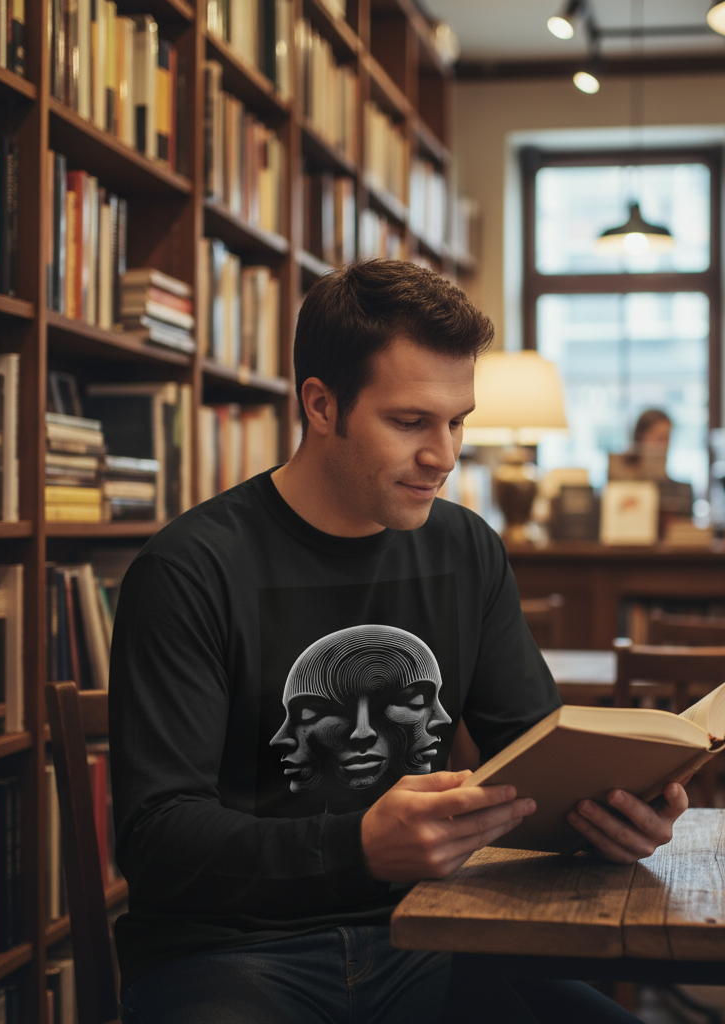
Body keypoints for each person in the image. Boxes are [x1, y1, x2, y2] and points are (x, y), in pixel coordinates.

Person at [109, 260, 689, 1024]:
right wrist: (357, 847)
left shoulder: (467, 551)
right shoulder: (191, 569)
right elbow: (156, 840)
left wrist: (615, 810)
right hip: (231, 953)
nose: (444, 455)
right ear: (322, 405)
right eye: (411, 422)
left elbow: (535, 754)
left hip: (434, 935)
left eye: (457, 421)